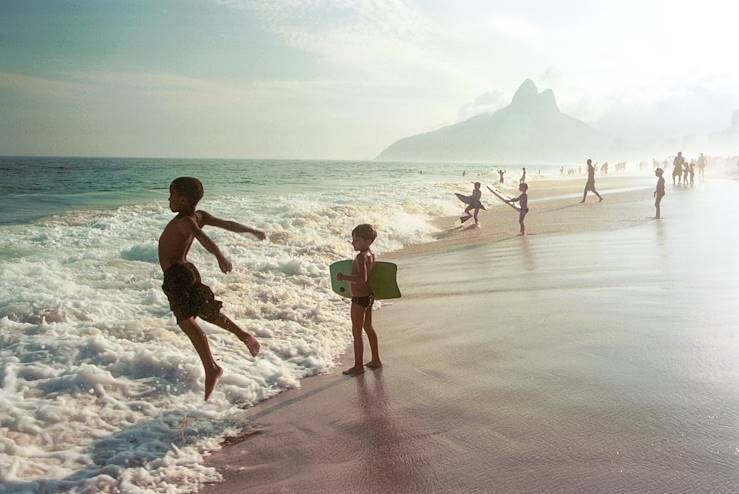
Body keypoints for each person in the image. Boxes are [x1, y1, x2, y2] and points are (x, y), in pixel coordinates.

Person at [158, 177, 265, 400]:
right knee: (208, 312)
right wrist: (252, 230)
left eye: (171, 195)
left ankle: (211, 368)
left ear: (183, 199)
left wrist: (220, 257)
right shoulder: (200, 216)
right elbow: (228, 224)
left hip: (176, 275)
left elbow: (204, 238)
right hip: (189, 271)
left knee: (186, 320)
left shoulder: (186, 222)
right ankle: (244, 336)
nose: (169, 199)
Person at [336, 224, 381, 376]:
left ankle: (358, 366)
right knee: (368, 327)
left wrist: (344, 277)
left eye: (357, 240)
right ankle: (376, 360)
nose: (354, 242)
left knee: (357, 332)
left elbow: (362, 278)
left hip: (359, 298)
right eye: (353, 239)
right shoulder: (371, 254)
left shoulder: (361, 257)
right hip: (369, 296)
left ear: (368, 241)